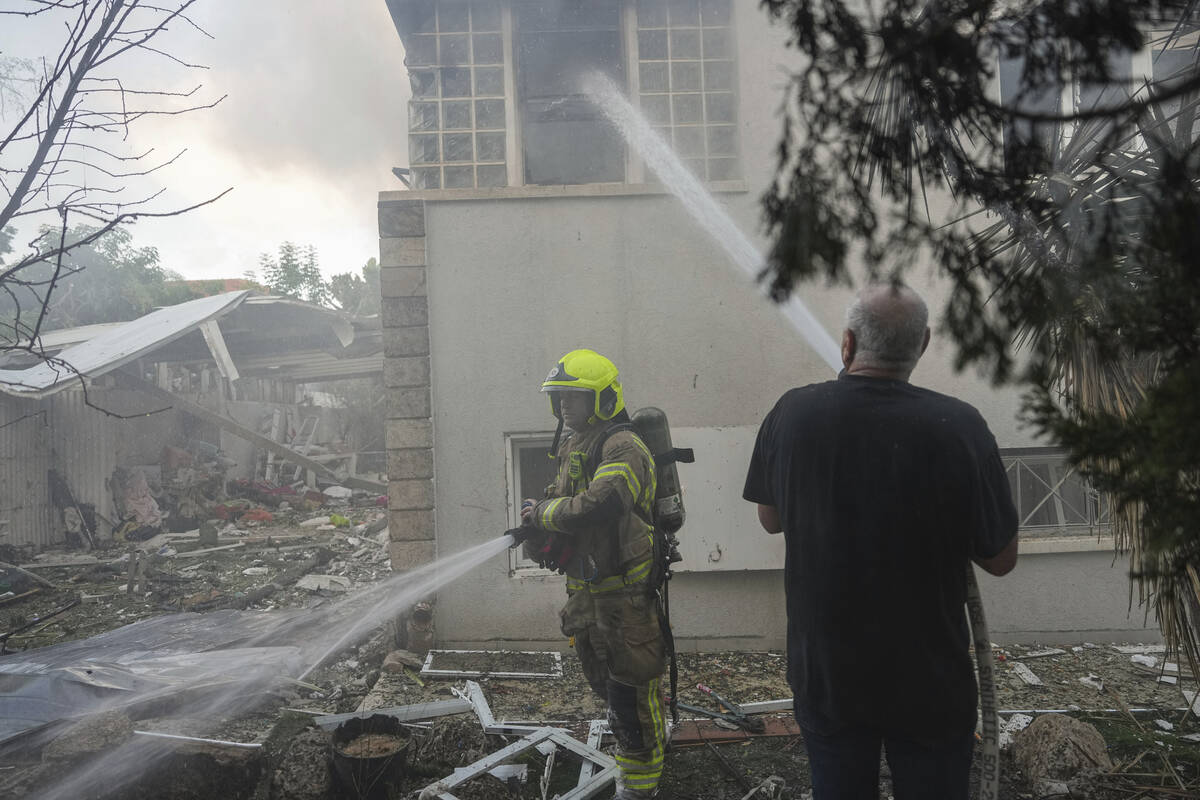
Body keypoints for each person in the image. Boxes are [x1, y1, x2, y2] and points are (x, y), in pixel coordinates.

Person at [742, 283, 1018, 799]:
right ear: (924, 343)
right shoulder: (960, 425)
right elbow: (1000, 559)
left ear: (846, 344)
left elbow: (769, 519)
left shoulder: (793, 414)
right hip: (931, 678)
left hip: (829, 672)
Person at [519, 348, 667, 800]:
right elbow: (567, 501)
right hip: (587, 594)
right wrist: (539, 523)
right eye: (559, 396)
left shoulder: (622, 444)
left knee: (632, 697)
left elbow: (603, 502)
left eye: (575, 396)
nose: (564, 405)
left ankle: (640, 789)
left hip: (624, 598)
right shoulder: (574, 442)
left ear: (603, 398)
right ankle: (633, 756)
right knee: (606, 688)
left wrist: (545, 514)